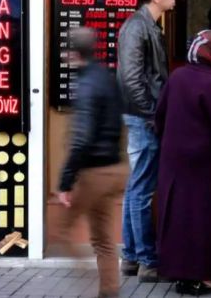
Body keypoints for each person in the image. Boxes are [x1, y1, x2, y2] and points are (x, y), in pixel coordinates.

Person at [154, 30, 211, 295]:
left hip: (173, 162)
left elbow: (160, 115)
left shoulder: (177, 76)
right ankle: (201, 277)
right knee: (200, 221)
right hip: (203, 167)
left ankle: (182, 274)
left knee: (177, 218)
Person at [55, 27, 127, 298]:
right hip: (115, 169)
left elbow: (82, 139)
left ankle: (85, 284)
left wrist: (65, 182)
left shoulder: (86, 85)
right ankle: (108, 291)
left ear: (73, 53)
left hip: (94, 173)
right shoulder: (106, 78)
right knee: (103, 238)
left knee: (61, 229)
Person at [116, 0, 176, 281]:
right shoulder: (138, 27)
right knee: (141, 188)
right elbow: (131, 78)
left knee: (136, 186)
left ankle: (130, 256)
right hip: (143, 118)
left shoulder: (145, 26)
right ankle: (146, 259)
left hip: (142, 116)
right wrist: (152, 113)